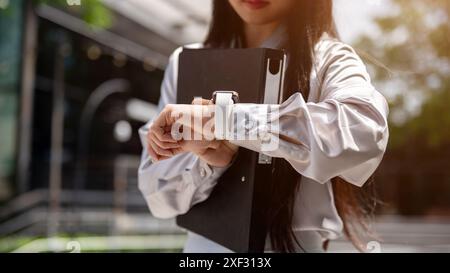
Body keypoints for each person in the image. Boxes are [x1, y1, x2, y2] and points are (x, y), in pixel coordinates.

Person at [138, 0, 389, 253]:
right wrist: (209, 163)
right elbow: (157, 198)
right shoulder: (185, 61)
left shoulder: (328, 57)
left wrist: (224, 121)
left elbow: (365, 131)